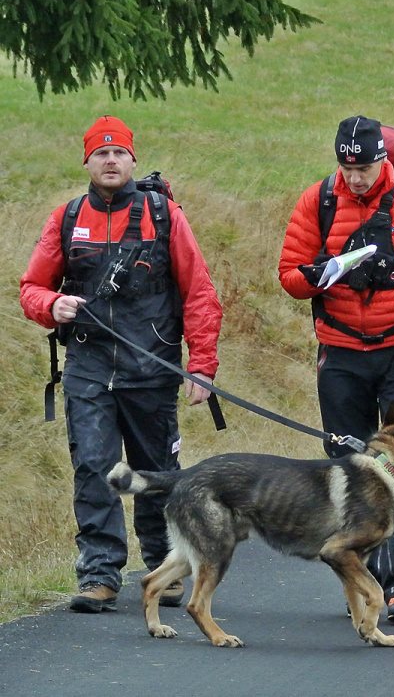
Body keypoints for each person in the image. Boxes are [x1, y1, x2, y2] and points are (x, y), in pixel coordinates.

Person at [20, 115, 223, 612]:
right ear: (86, 161)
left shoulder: (164, 214)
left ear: (132, 159)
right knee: (93, 468)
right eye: (100, 153)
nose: (110, 161)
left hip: (152, 366)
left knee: (156, 472)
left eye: (119, 153)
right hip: (87, 367)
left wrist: (203, 366)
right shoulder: (66, 218)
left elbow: (199, 292)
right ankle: (99, 576)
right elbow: (31, 288)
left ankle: (164, 568)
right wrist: (52, 306)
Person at [278, 114, 394, 624]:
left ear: (382, 159)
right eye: (347, 166)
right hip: (339, 352)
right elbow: (289, 275)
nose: (355, 176)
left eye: (364, 167)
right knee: (348, 467)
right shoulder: (317, 200)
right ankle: (363, 583)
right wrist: (313, 277)